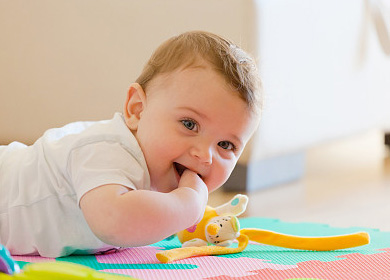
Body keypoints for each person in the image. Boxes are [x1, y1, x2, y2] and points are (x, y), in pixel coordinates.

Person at [0, 31, 262, 257]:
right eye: (189, 124)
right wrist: (187, 206)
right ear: (137, 110)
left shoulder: (157, 176)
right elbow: (113, 221)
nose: (205, 156)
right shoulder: (106, 149)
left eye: (226, 145)